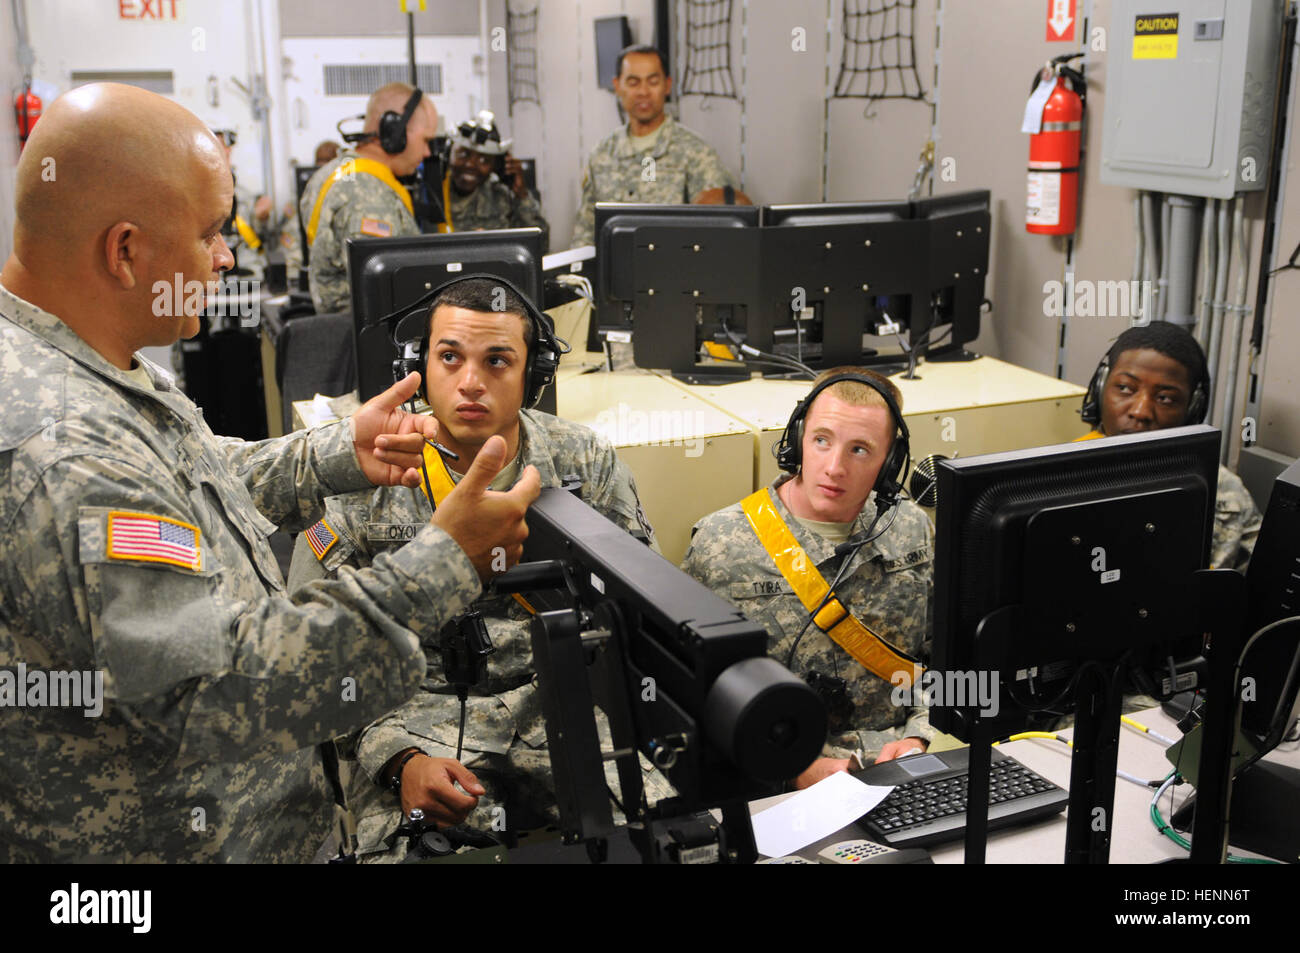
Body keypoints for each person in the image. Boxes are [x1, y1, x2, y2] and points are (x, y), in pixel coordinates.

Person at [0, 83, 539, 863]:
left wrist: (328, 452)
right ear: (124, 251)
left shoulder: (77, 363)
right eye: (211, 232)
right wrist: (442, 561)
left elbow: (184, 470)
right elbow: (222, 685)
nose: (227, 256)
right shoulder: (64, 448)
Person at [288, 276, 661, 859]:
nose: (470, 382)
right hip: (415, 720)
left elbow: (643, 611)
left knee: (675, 838)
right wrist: (398, 759)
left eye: (497, 361)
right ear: (419, 365)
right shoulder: (364, 475)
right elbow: (311, 657)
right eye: (449, 357)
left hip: (564, 702)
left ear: (532, 377)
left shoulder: (585, 461)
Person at [681, 368, 934, 789]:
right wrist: (790, 769)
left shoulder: (910, 529)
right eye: (821, 440)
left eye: (859, 450)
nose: (834, 467)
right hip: (771, 782)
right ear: (798, 438)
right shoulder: (722, 542)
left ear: (889, 464)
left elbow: (943, 658)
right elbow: (694, 692)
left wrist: (918, 734)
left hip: (900, 771)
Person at [1077, 321, 1261, 572]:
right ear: (1101, 389)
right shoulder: (1065, 468)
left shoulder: (1220, 491)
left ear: (1191, 409)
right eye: (1125, 388)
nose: (1140, 411)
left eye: (1164, 398)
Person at [571, 44, 741, 248]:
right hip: (613, 275)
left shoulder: (695, 152)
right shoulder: (601, 155)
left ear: (667, 85)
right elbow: (585, 234)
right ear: (617, 86)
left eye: (653, 82)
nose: (643, 92)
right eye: (633, 82)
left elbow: (717, 230)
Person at [300, 83, 438, 314]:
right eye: (425, 140)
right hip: (372, 340)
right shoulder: (369, 195)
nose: (427, 153)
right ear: (395, 132)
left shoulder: (333, 173)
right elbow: (386, 291)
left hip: (342, 332)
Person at [437, 111, 550, 251]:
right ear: (448, 154)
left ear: (496, 166)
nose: (471, 165)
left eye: (484, 160)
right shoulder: (429, 195)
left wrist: (522, 195)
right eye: (463, 154)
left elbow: (541, 246)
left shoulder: (501, 197)